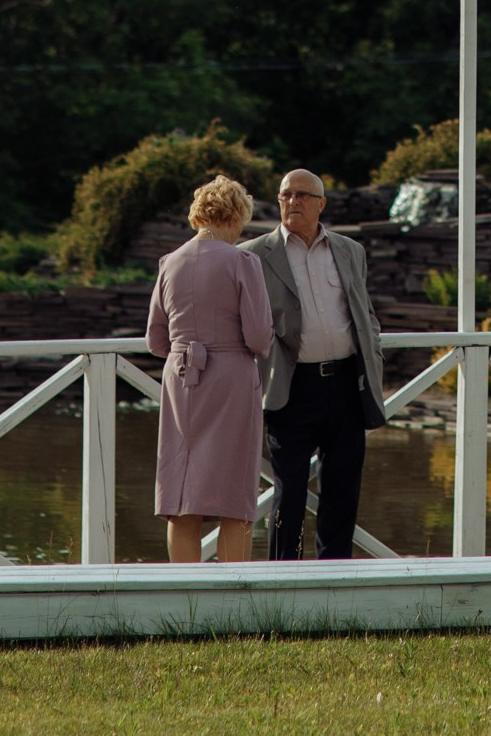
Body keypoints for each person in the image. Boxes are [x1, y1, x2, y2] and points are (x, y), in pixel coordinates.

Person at [241, 168, 388, 560]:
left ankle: (334, 581)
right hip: (290, 386)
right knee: (288, 493)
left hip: (344, 385)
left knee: (341, 490)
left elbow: (365, 313)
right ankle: (284, 583)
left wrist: (372, 350)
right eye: (286, 195)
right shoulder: (254, 255)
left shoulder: (349, 250)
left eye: (303, 195)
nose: (293, 202)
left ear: (322, 204)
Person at [146, 173, 275, 562]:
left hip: (181, 376)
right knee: (234, 494)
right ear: (236, 216)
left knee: (183, 493)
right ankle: (232, 601)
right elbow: (258, 337)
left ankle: (186, 598)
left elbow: (155, 339)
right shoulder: (242, 261)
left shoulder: (170, 263)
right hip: (231, 377)